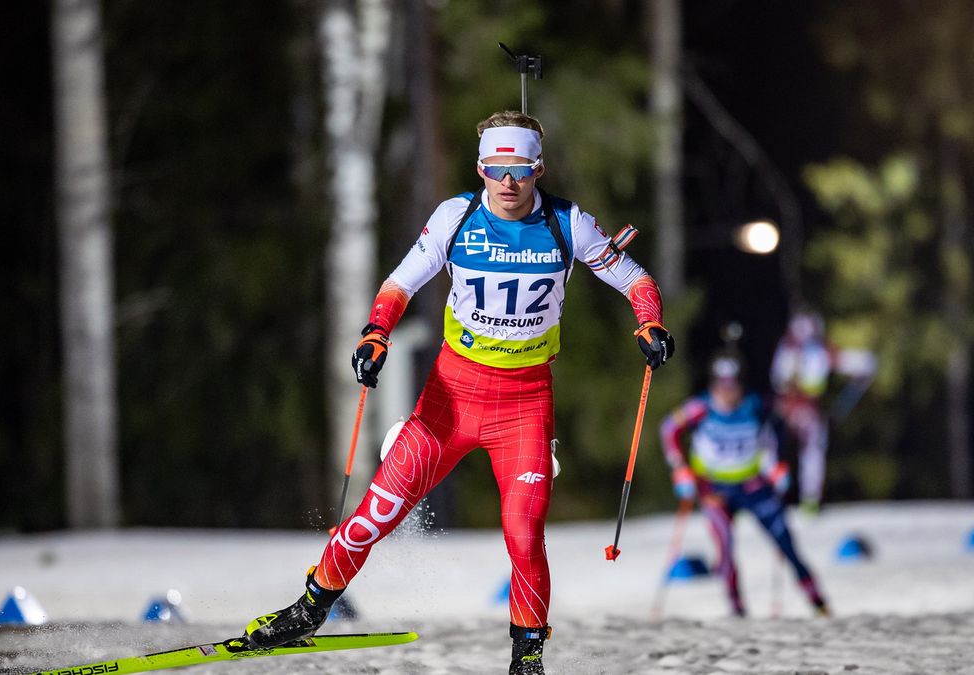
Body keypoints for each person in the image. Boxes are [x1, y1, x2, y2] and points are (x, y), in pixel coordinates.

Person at [243, 111, 674, 674]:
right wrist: (376, 333)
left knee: (524, 534)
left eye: (520, 168)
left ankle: (527, 658)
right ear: (481, 168)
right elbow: (400, 283)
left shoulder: (569, 224)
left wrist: (650, 322)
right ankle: (309, 609)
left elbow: (635, 277)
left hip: (523, 407)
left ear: (537, 167)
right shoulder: (456, 217)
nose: (508, 182)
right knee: (375, 515)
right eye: (497, 169)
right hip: (450, 401)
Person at [660, 353, 829, 618]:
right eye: (722, 385)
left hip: (753, 485)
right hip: (714, 489)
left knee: (785, 541)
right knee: (725, 547)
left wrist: (777, 466)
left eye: (733, 385)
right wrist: (680, 469)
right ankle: (736, 609)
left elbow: (775, 434)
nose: (728, 392)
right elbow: (669, 429)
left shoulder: (756, 405)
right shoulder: (699, 408)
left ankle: (818, 603)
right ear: (713, 385)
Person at [769, 308, 876, 513]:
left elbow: (863, 364)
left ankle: (810, 499)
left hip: (809, 410)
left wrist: (848, 396)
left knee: (813, 449)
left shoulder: (820, 352)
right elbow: (781, 384)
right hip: (786, 410)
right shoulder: (787, 351)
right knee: (769, 446)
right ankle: (772, 492)